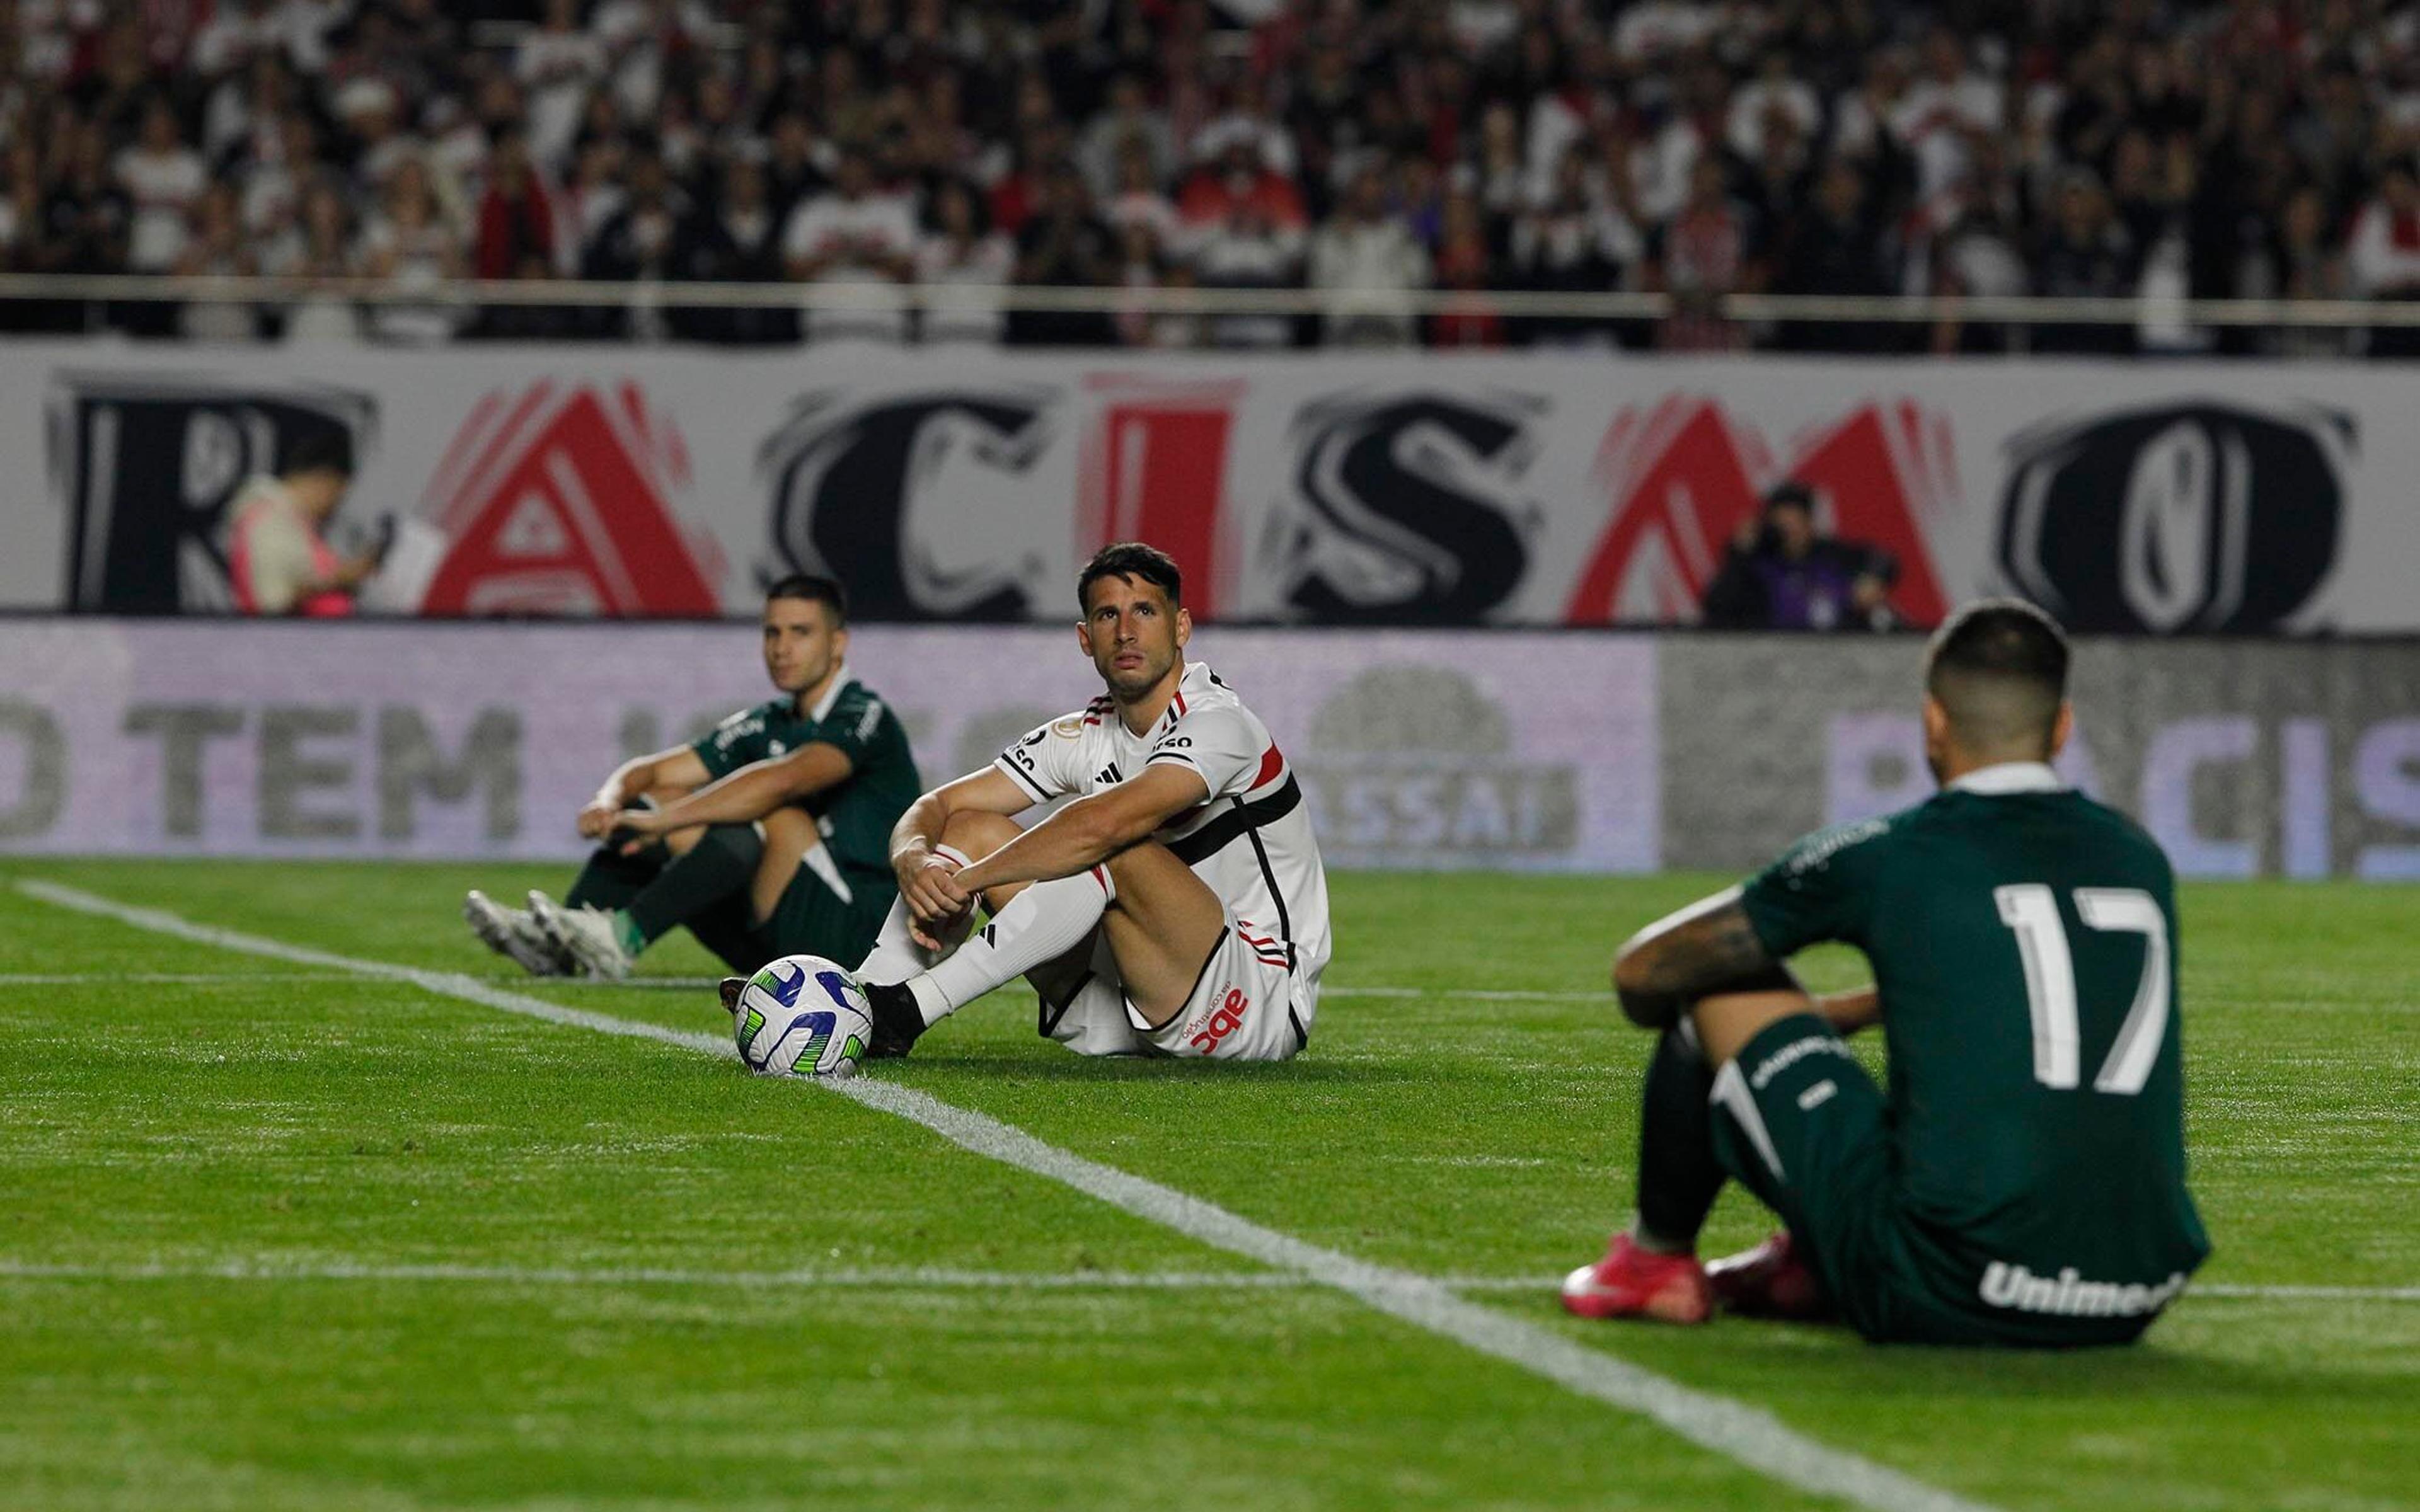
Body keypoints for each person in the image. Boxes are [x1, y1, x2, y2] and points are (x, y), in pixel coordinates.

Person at [1562, 600, 2209, 1346]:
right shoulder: (2138, 856)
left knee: (1714, 981)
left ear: (1933, 722)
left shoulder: (1890, 856)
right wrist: (1877, 1004)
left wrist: (1787, 1021)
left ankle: (1654, 1263)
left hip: (1948, 1286)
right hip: (2131, 1292)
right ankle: (1809, 1261)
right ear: (2061, 727)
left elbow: (1643, 974)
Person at [752, 542, 1331, 1063]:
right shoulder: (1084, 733)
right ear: (1086, 639)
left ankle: (906, 1012)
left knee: (1105, 838)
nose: (1126, 632)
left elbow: (1103, 825)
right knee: (973, 826)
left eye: (1145, 612)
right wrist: (915, 860)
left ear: (1181, 629)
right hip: (1128, 1002)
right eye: (1108, 615)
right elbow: (934, 805)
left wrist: (970, 882)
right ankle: (854, 1003)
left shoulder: (1220, 723)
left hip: (1254, 1004)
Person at [464, 576, 920, 981]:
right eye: (772, 632)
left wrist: (666, 824)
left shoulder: (864, 715)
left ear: (838, 643)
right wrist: (610, 800)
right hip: (780, 931)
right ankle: (560, 940)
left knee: (769, 814)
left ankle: (620, 939)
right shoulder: (768, 721)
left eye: (800, 633)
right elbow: (654, 771)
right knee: (657, 801)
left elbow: (784, 780)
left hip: (857, 935)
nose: (782, 648)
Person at [1699, 483, 1899, 631]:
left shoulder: (1834, 557)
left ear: (1810, 523)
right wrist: (1739, 554)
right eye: (1783, 526)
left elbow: (1883, 560)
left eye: (1796, 523)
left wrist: (1872, 582)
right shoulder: (1755, 566)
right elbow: (1715, 607)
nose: (1790, 533)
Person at [226, 430, 384, 616]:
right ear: (324, 479)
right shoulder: (268, 522)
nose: (333, 509)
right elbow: (270, 606)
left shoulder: (290, 520)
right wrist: (338, 580)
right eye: (336, 497)